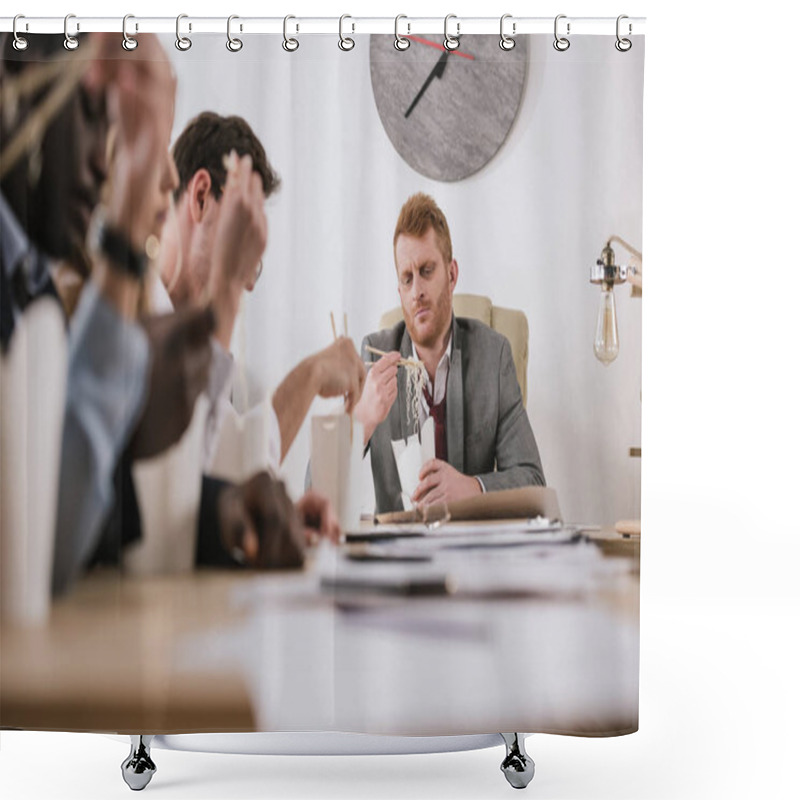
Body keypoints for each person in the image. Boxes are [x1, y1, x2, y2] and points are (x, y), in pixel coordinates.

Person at [1, 32, 216, 594]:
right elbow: (31, 556)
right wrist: (122, 247)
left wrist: (225, 512)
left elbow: (56, 524)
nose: (102, 161)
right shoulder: (57, 292)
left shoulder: (31, 280)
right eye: (98, 114)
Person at [354, 192, 546, 514]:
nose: (417, 292)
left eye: (427, 271)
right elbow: (314, 493)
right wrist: (360, 421)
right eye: (407, 278)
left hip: (473, 556)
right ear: (399, 289)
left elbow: (533, 482)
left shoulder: (493, 356)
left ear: (452, 274)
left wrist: (472, 487)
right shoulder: (374, 358)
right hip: (400, 557)